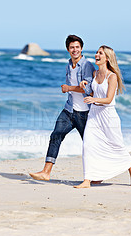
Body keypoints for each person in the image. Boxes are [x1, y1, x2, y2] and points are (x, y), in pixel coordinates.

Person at [29, 35, 95, 181]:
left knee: (89, 145)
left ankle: (97, 175)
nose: (75, 50)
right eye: (72, 47)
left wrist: (68, 88)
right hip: (69, 109)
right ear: (68, 49)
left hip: (84, 113)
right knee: (56, 135)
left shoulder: (87, 65)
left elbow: (89, 89)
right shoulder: (68, 64)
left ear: (81, 48)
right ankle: (46, 172)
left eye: (77, 47)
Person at [74, 45, 131, 188]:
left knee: (117, 145)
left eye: (100, 53)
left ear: (107, 58)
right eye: (97, 52)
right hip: (94, 115)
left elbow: (109, 99)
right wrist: (85, 88)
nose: (97, 55)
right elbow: (93, 95)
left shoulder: (112, 76)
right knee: (89, 144)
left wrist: (94, 99)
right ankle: (88, 179)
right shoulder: (95, 74)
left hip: (108, 116)